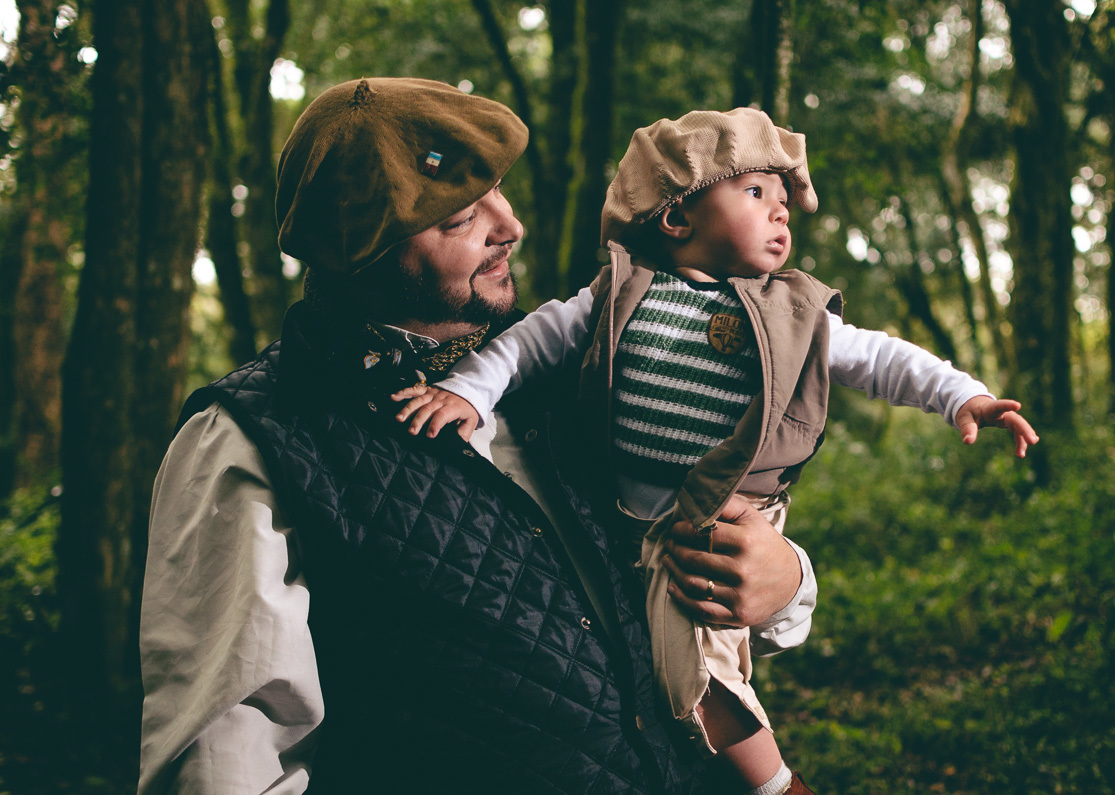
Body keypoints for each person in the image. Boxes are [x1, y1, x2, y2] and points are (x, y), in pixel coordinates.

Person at [137, 79, 824, 794]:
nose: (510, 224)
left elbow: (694, 604)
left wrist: (785, 580)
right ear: (363, 250)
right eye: (462, 216)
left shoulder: (586, 363)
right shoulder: (251, 439)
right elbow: (225, 761)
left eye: (499, 190)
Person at [396, 107, 1040, 795]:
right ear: (677, 217)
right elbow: (529, 344)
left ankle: (777, 785)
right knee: (654, 669)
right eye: (757, 193)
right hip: (626, 524)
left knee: (695, 675)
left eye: (785, 200)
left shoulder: (792, 311)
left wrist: (960, 396)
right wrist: (468, 391)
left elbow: (880, 358)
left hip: (716, 520)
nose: (781, 213)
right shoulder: (619, 294)